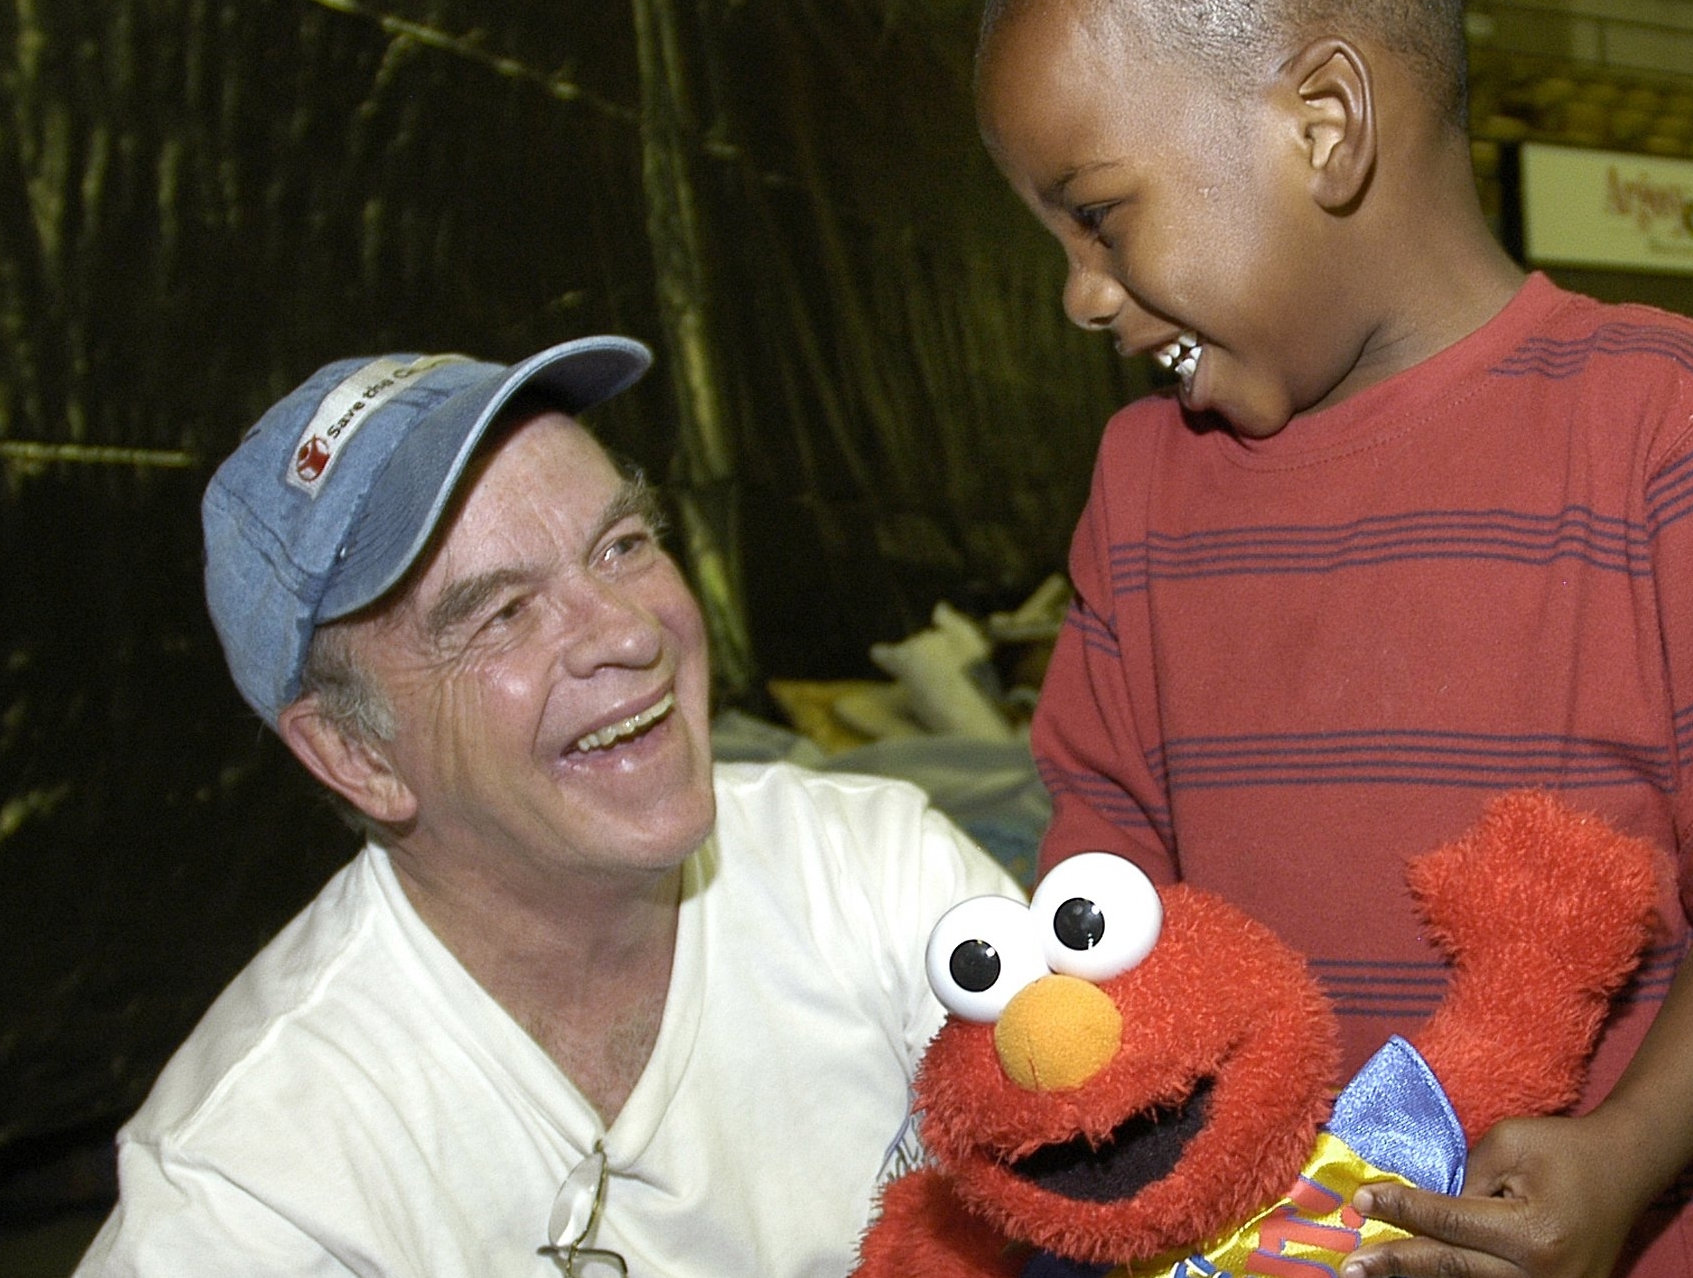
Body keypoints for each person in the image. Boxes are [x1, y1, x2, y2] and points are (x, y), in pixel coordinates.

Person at [973, 0, 1693, 1278]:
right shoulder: (1142, 488)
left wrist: (1628, 1144)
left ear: (1324, 127)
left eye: (1101, 215)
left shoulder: (1667, 417)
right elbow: (1107, 869)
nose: (1080, 292)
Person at [75, 337, 1019, 1276]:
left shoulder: (873, 875)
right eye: (502, 612)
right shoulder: (258, 1185)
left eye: (622, 546)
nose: (630, 630)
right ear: (356, 753)